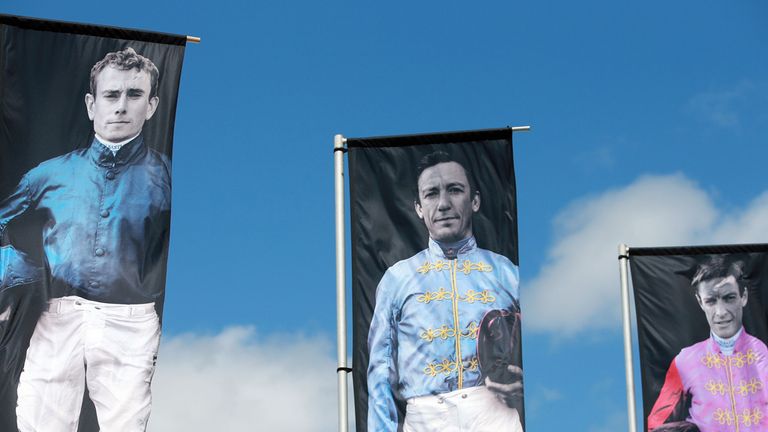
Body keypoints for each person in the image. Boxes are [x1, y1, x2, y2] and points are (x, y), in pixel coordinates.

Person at [0, 47, 170, 432]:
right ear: (92, 104)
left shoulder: (164, 178)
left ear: (153, 105)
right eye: (111, 96)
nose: (122, 107)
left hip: (131, 319)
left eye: (134, 95)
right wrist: (12, 277)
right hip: (58, 314)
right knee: (38, 421)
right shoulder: (48, 175)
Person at [367, 150, 524, 432]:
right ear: (418, 207)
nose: (443, 204)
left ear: (474, 200)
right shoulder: (396, 279)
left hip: (494, 413)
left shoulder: (509, 274)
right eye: (431, 194)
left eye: (454, 190)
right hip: (424, 416)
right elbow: (380, 372)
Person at [648, 257, 768, 432]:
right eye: (711, 301)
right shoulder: (685, 361)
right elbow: (656, 424)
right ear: (700, 302)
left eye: (729, 298)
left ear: (744, 297)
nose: (720, 312)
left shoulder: (765, 355)